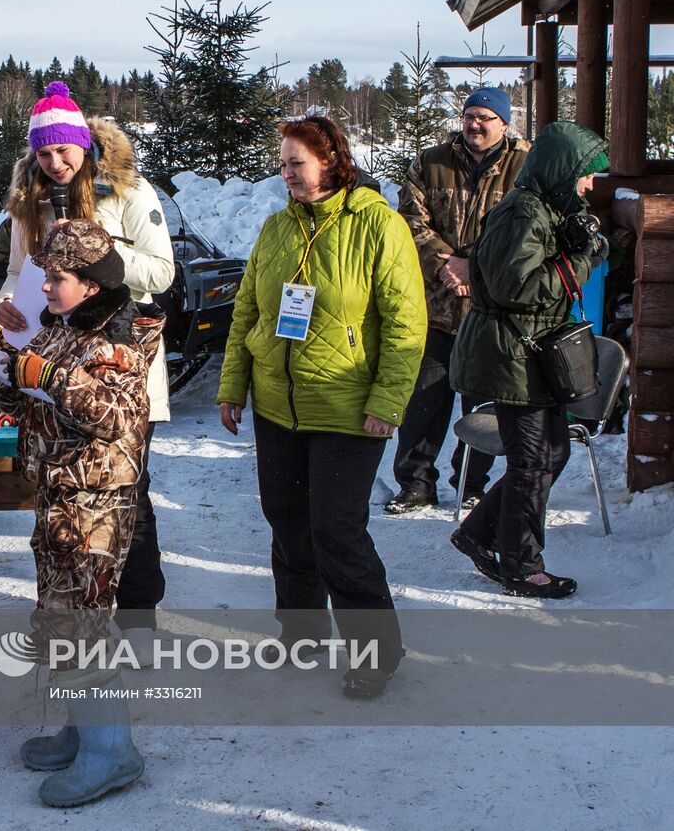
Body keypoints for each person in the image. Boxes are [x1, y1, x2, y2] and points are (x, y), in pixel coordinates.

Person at [216, 115, 425, 699]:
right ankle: (301, 630)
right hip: (278, 406)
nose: (286, 174)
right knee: (287, 520)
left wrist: (388, 400)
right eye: (282, 163)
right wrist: (234, 386)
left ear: (331, 161)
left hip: (348, 405)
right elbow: (246, 315)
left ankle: (375, 651)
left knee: (336, 529)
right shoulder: (277, 229)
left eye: (296, 163)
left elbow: (408, 324)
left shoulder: (378, 227)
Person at [0, 219, 161, 807]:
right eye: (45, 276)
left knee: (82, 625)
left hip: (96, 505)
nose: (44, 288)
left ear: (92, 285)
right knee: (63, 621)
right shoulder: (61, 328)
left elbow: (114, 416)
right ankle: (84, 729)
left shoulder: (121, 339)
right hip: (58, 496)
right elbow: (34, 400)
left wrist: (39, 371)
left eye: (58, 278)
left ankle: (112, 751)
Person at [0, 82, 174, 620]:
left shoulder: (129, 191)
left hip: (121, 363)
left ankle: (139, 613)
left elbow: (161, 273)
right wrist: (6, 303)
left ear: (84, 145)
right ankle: (74, 611)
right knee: (66, 499)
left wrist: (106, 261)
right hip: (56, 366)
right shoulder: (31, 198)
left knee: (127, 496)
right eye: (43, 153)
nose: (54, 163)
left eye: (63, 151)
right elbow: (16, 274)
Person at [449, 121, 610, 599]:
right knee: (534, 460)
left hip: (527, 351)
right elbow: (515, 287)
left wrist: (585, 246)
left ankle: (479, 533)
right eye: (584, 175)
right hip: (511, 352)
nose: (589, 186)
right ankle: (521, 565)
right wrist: (580, 260)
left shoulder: (544, 209)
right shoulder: (523, 212)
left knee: (550, 453)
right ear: (562, 171)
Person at [388, 88, 529, 514]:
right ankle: (415, 483)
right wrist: (446, 265)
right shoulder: (432, 162)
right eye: (469, 116)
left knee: (484, 406)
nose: (475, 124)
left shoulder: (525, 167)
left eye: (485, 117)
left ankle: (471, 482)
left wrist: (475, 268)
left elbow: (524, 231)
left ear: (503, 123)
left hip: (491, 311)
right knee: (423, 403)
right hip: (434, 307)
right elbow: (410, 220)